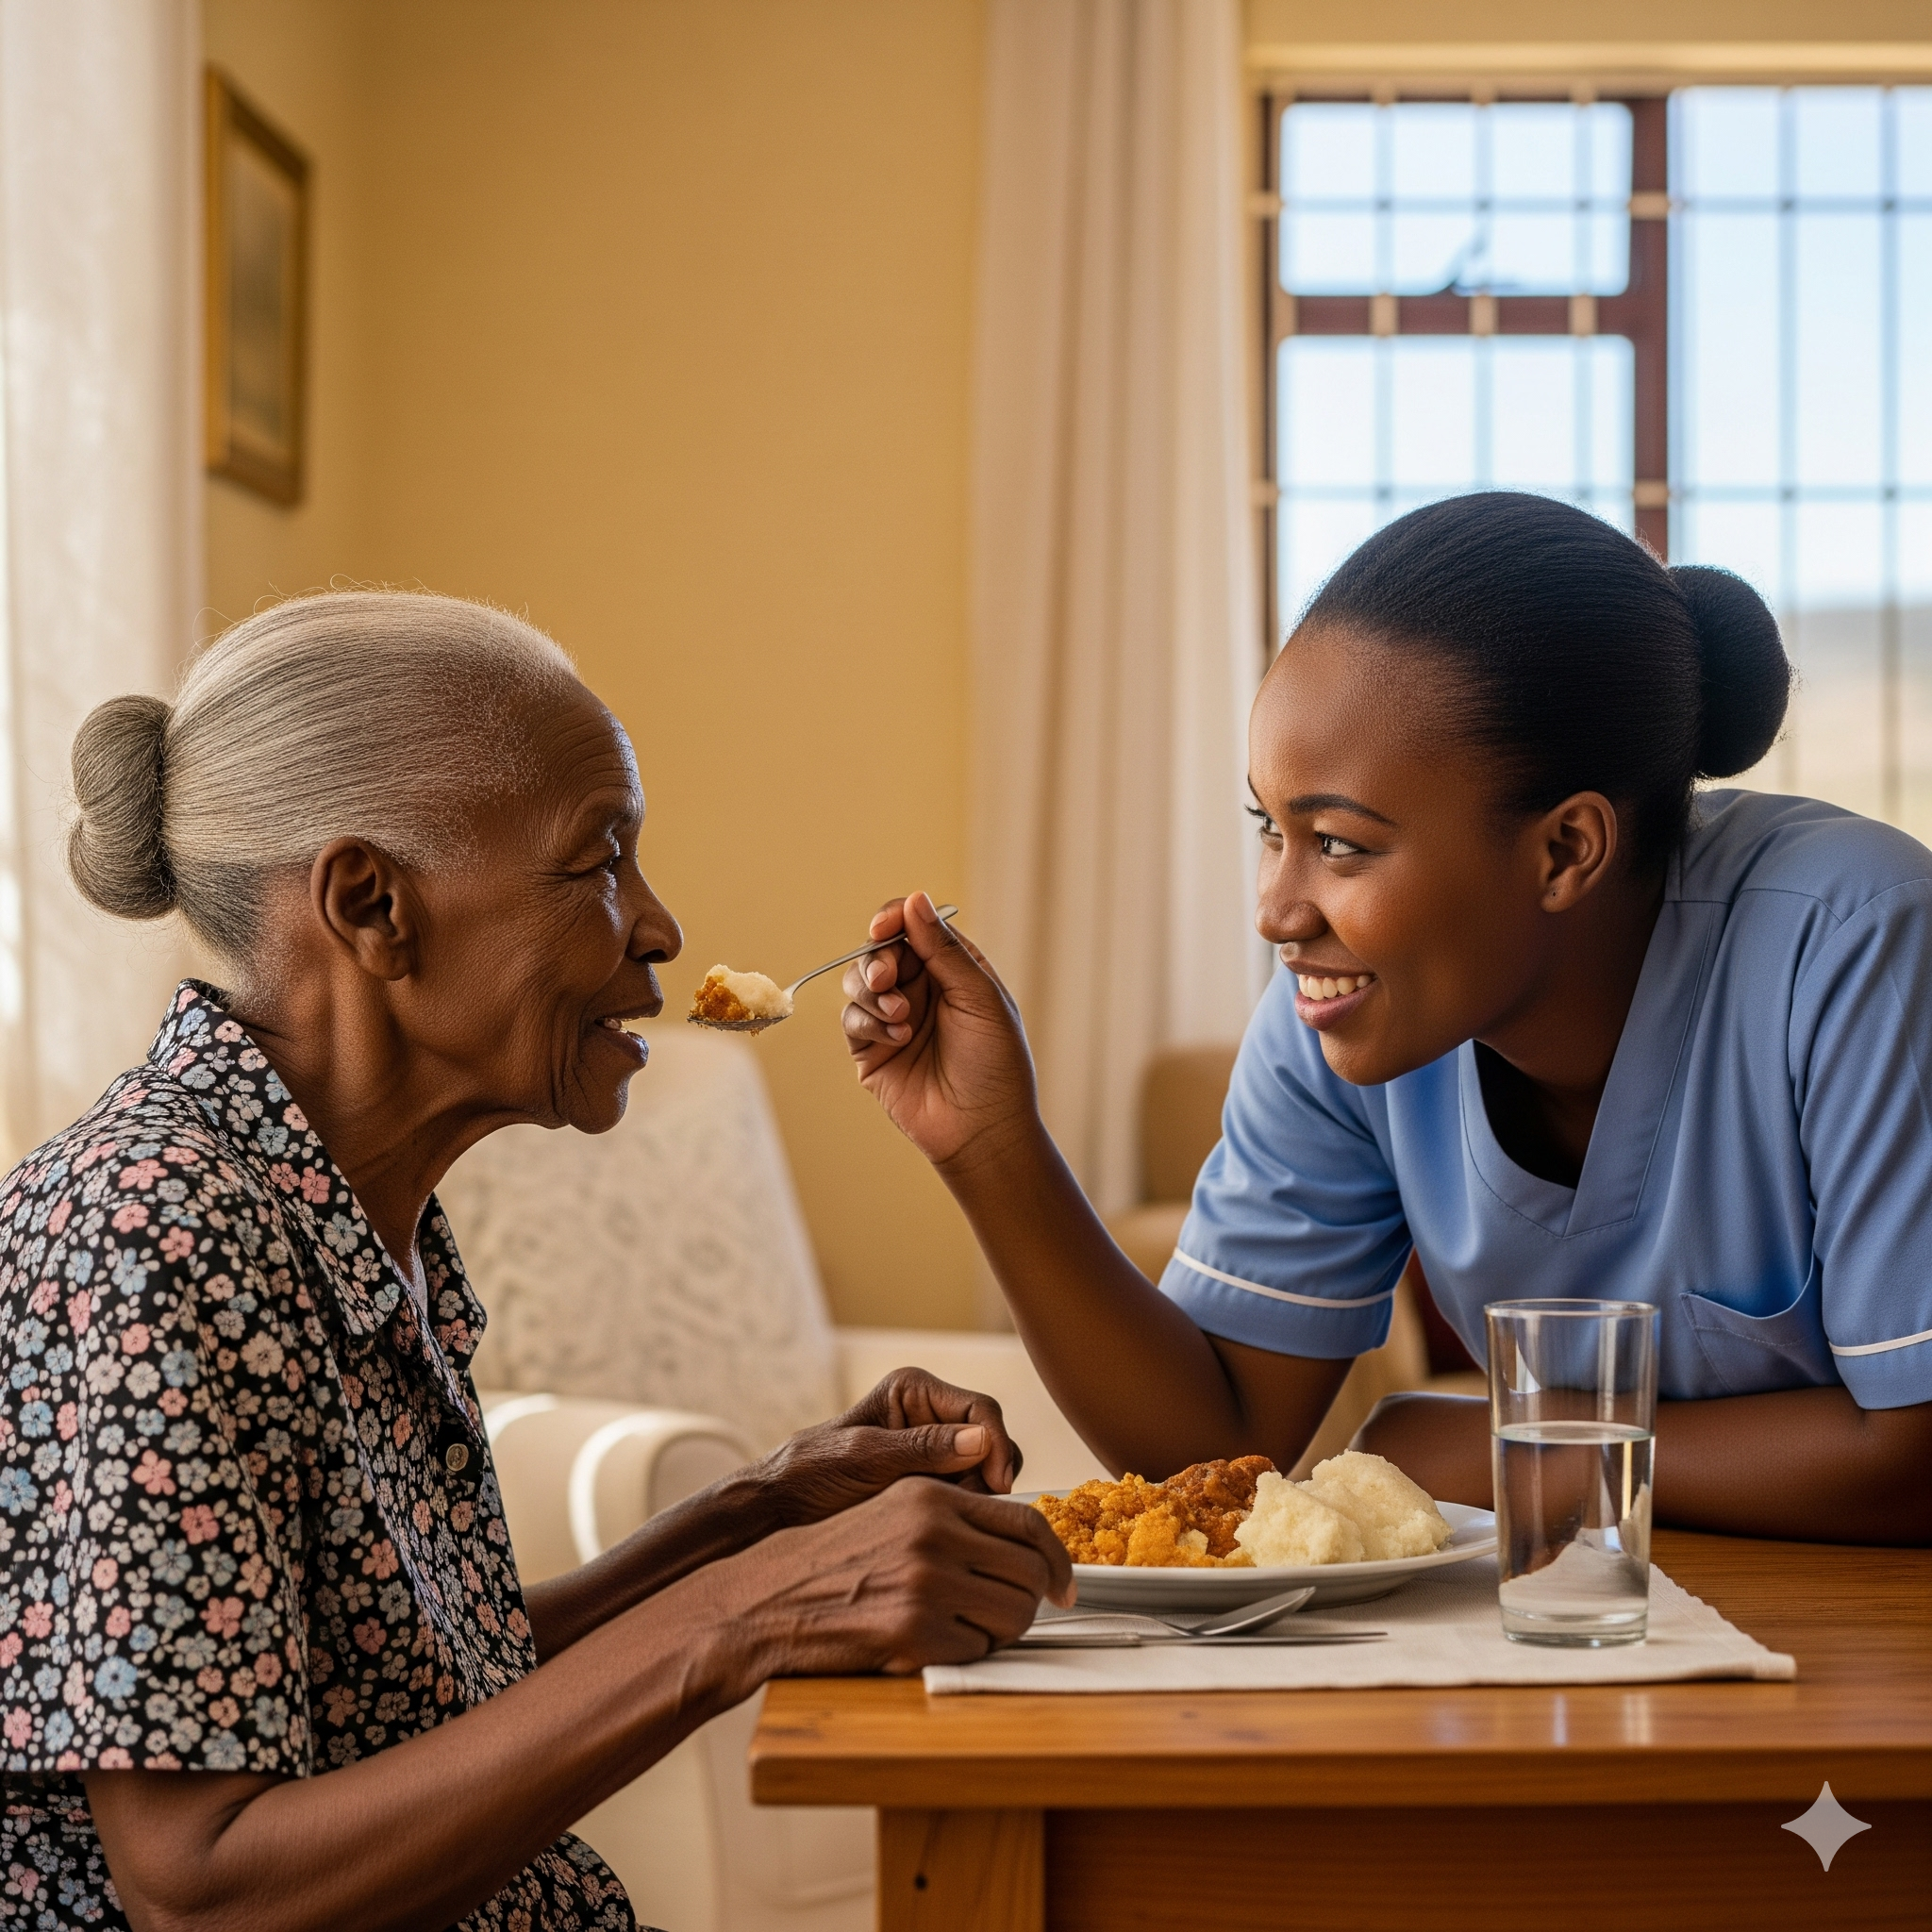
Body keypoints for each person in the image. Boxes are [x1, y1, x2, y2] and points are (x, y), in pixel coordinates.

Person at [0, 591, 1072, 1932]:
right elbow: (203, 1889)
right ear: (372, 905)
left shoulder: (343, 1211)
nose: (661, 927)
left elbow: (423, 1689)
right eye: (597, 863)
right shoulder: (151, 1229)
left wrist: (760, 1511)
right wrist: (746, 1615)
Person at [842, 492, 1932, 1547]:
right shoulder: (1341, 1017)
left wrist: (1528, 1453)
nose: (1274, 909)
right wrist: (991, 1145)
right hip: (1586, 1641)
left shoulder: (1853, 941)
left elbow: (1914, 1450)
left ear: (1564, 849)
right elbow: (1208, 1448)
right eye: (1268, 827)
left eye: (1341, 844)